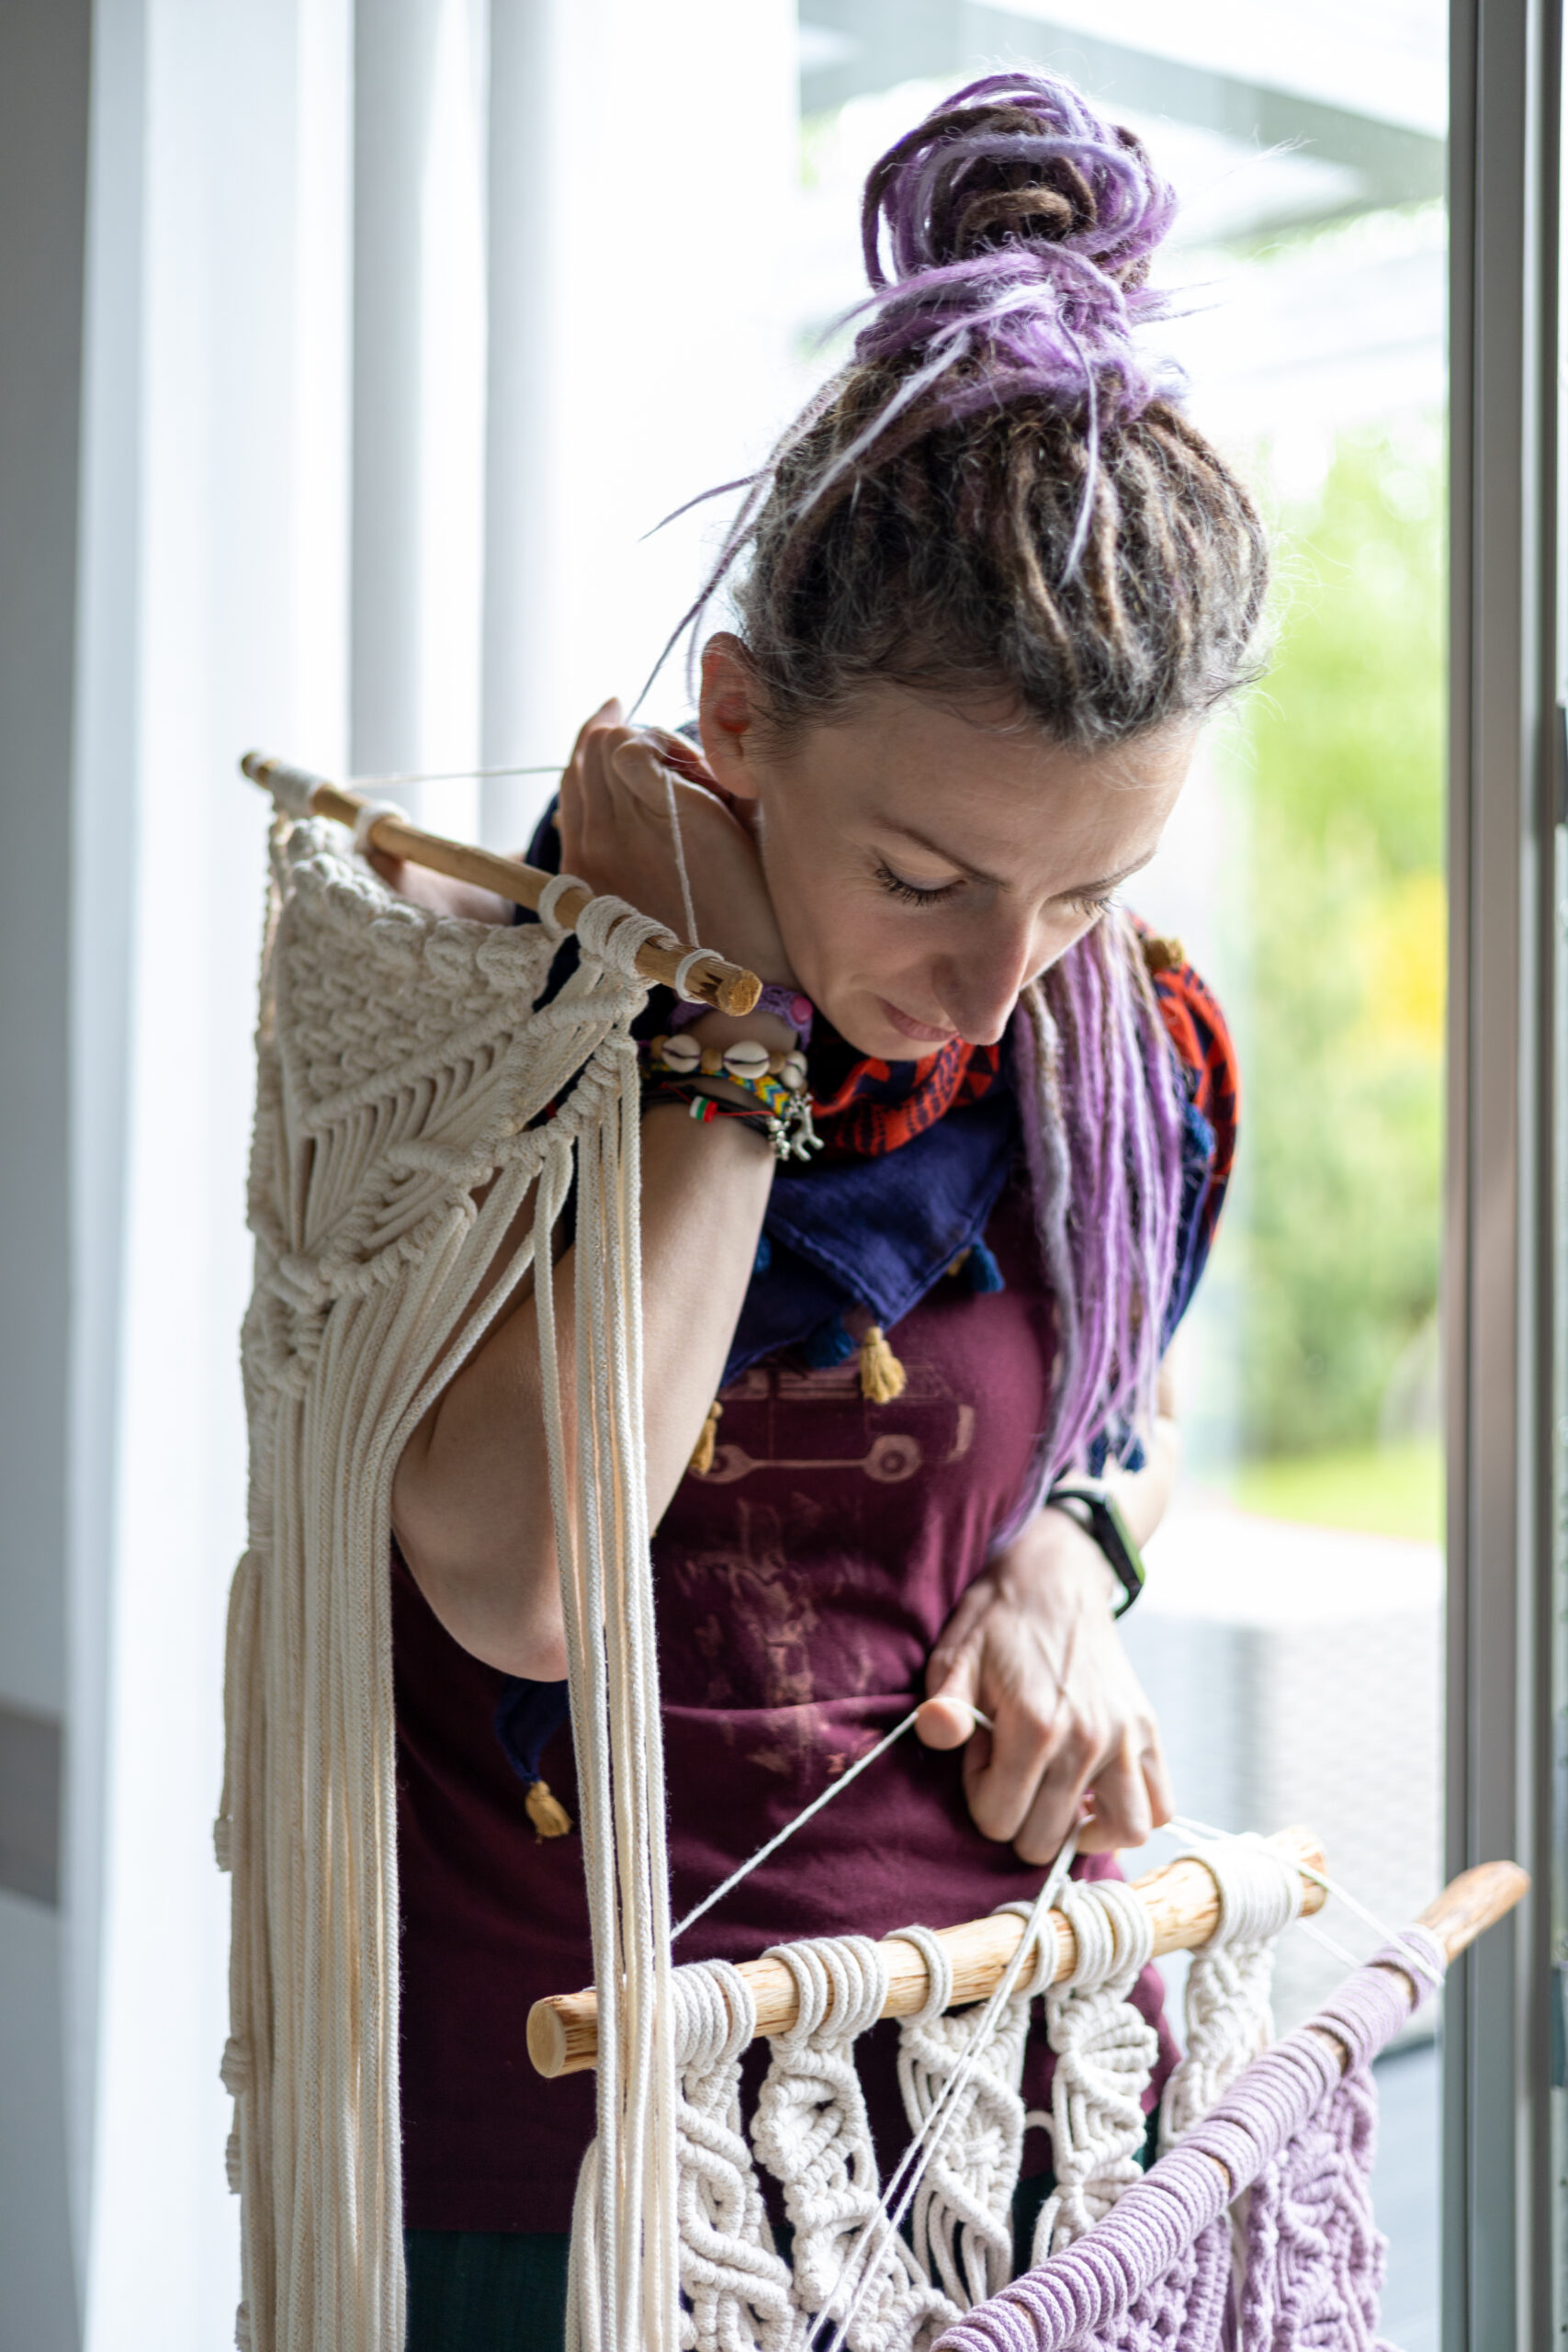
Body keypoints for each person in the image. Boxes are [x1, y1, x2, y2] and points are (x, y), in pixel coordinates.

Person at [377, 69, 1266, 2352]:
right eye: (925, 875)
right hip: (599, 2155)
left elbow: (1110, 1412)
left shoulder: (1114, 1058)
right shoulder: (474, 1013)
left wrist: (1069, 1563)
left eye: (1086, 889)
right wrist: (735, 1032)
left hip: (1020, 2106)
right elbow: (528, 1578)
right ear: (740, 718)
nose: (997, 984)